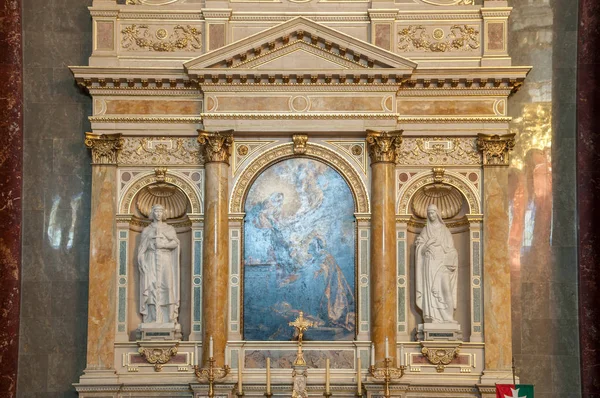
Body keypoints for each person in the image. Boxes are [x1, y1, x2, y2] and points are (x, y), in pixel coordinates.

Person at [415, 204, 458, 324]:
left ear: (437, 214)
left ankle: (448, 317)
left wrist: (449, 258)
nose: (431, 215)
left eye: (433, 212)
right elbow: (420, 248)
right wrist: (427, 244)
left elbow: (452, 249)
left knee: (446, 290)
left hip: (442, 265)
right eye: (429, 213)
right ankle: (434, 317)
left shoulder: (445, 231)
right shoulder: (425, 230)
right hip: (429, 265)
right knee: (431, 291)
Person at [138, 204, 180, 324]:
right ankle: (153, 318)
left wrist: (164, 245)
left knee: (167, 285)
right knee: (151, 286)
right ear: (152, 213)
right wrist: (142, 262)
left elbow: (175, 243)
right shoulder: (147, 230)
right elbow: (141, 249)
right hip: (151, 258)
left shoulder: (169, 229)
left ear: (164, 214)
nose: (158, 214)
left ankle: (169, 317)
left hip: (165, 258)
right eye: (156, 211)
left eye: (160, 211)